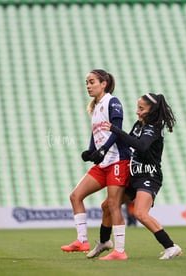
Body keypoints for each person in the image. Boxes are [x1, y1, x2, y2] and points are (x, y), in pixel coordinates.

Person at [86, 93, 182, 260]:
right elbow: (127, 142)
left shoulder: (153, 128)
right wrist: (100, 150)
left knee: (139, 213)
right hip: (134, 175)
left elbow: (141, 146)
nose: (137, 111)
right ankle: (104, 242)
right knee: (107, 205)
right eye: (138, 107)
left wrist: (116, 129)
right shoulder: (139, 125)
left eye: (141, 108)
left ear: (151, 110)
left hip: (149, 176)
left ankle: (171, 246)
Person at [61, 69, 131, 260]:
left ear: (104, 83)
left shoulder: (112, 101)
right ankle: (82, 241)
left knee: (112, 204)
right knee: (76, 196)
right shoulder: (96, 106)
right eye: (87, 83)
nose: (88, 86)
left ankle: (120, 251)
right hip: (103, 164)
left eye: (92, 82)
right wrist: (91, 151)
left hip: (118, 160)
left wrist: (103, 150)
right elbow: (96, 133)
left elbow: (117, 131)